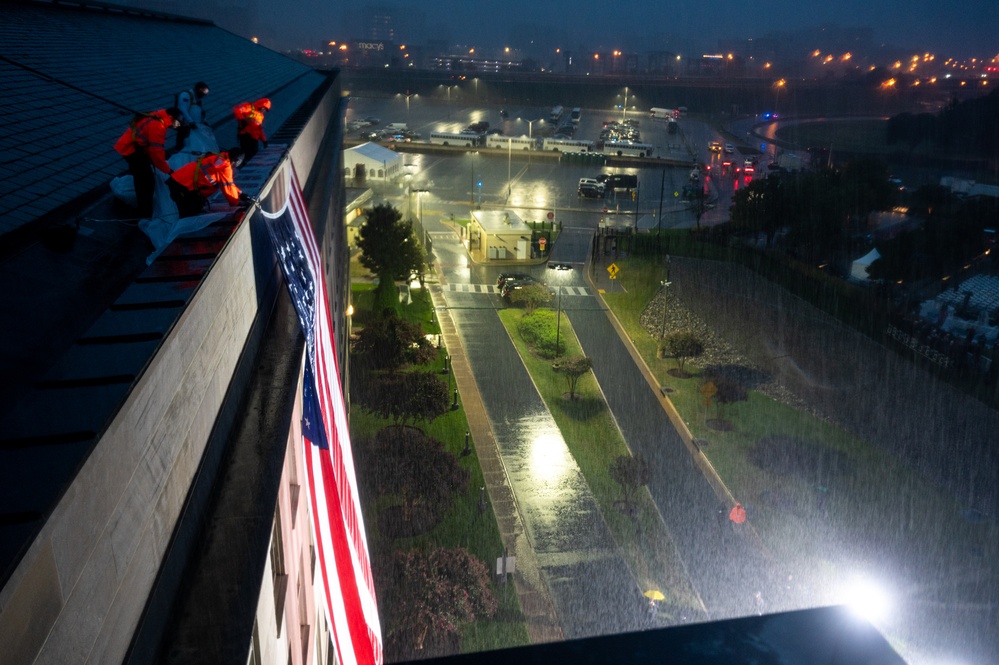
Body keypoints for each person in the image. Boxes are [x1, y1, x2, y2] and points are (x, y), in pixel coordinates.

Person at [114, 107, 181, 217]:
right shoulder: (158, 126)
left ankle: (140, 207)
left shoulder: (156, 116)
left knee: (141, 178)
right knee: (147, 183)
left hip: (130, 147)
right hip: (132, 151)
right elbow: (156, 153)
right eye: (176, 122)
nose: (176, 125)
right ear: (171, 117)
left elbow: (153, 148)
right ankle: (144, 213)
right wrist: (169, 171)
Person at [166, 148, 253, 217]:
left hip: (180, 180)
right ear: (237, 160)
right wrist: (237, 204)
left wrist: (240, 193)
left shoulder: (221, 156)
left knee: (191, 207)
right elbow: (228, 187)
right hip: (183, 184)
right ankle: (183, 234)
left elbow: (228, 183)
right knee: (190, 211)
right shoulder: (225, 166)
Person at [174, 81, 210, 150]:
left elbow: (201, 112)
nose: (204, 95)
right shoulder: (186, 95)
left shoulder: (198, 100)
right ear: (198, 90)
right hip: (185, 126)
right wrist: (191, 122)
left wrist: (205, 122)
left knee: (189, 145)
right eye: (203, 93)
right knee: (182, 144)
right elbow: (182, 109)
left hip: (193, 128)